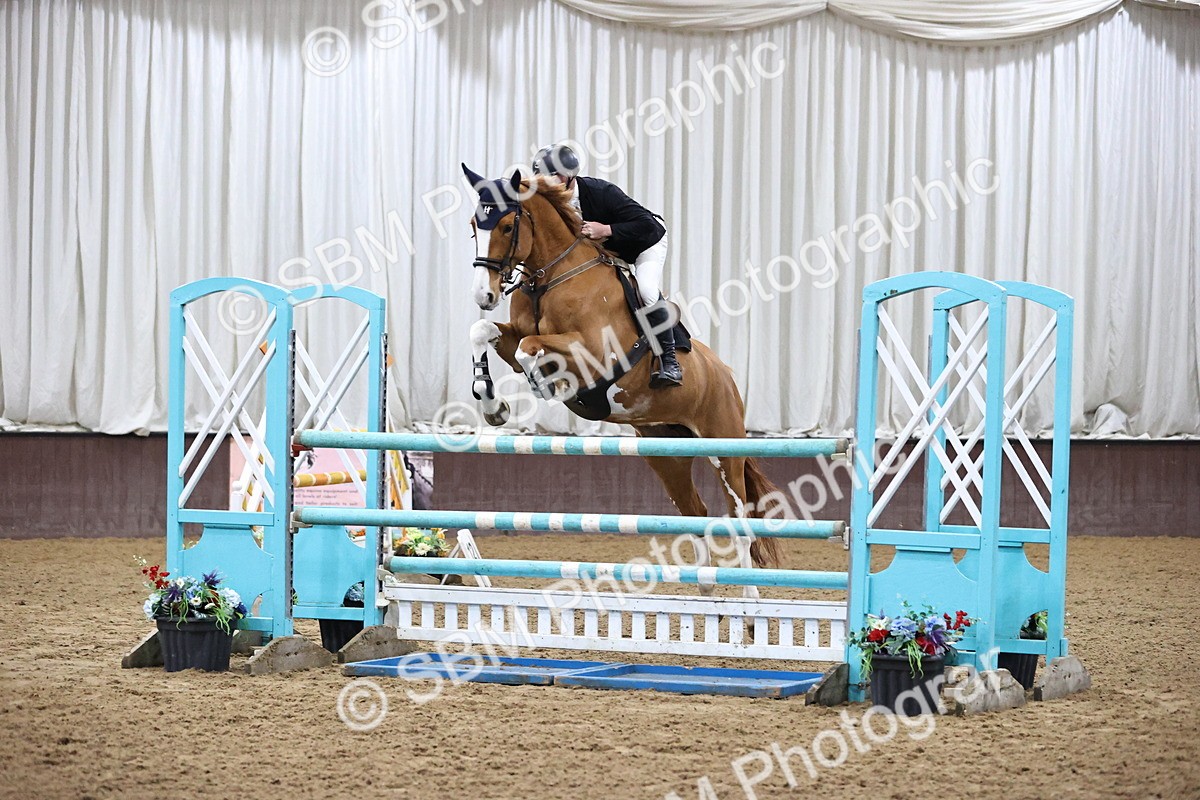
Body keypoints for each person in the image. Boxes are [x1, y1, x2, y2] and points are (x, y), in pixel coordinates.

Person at [531, 143, 682, 389]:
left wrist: (607, 229)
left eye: (553, 176)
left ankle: (670, 361)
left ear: (570, 175)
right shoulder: (550, 203)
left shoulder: (601, 192)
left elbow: (646, 224)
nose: (548, 183)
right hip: (607, 250)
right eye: (543, 178)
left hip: (645, 243)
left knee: (646, 290)